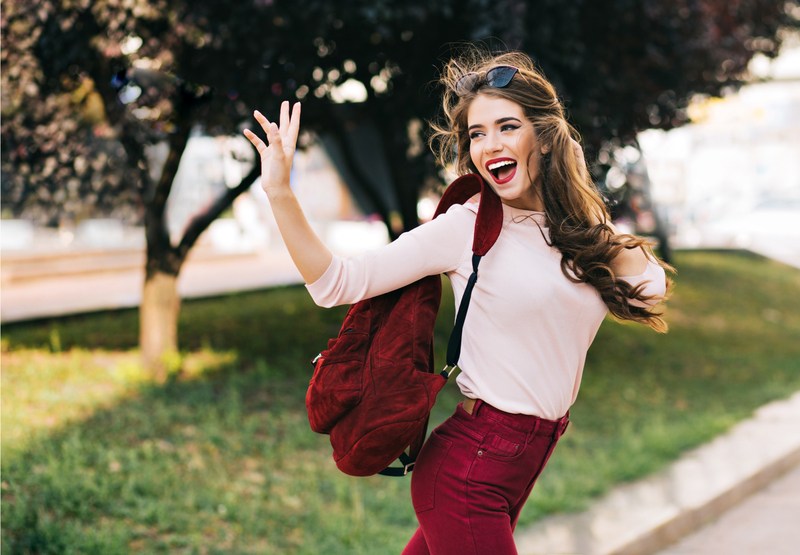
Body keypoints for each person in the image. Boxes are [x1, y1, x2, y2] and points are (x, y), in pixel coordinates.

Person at [244, 49, 672, 555]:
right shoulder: (466, 226)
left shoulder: (575, 233)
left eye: (507, 126)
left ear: (546, 135)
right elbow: (335, 283)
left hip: (522, 462)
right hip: (469, 469)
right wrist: (279, 193)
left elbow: (648, 286)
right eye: (476, 133)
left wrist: (578, 199)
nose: (490, 145)